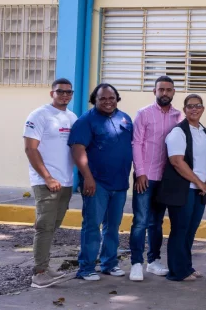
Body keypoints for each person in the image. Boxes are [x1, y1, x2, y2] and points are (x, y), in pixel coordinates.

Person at [68, 83, 133, 281]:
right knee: (92, 225)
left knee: (113, 226)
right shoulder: (85, 121)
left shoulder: (125, 118)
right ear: (94, 100)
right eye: (102, 98)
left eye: (111, 97)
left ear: (117, 98)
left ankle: (109, 264)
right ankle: (86, 268)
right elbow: (77, 150)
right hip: (96, 183)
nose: (107, 101)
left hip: (120, 183)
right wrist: (87, 178)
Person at [24, 78, 78, 288]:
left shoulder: (71, 117)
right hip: (45, 181)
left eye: (68, 92)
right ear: (51, 93)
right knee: (44, 227)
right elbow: (30, 149)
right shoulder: (39, 115)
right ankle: (39, 273)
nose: (65, 95)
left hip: (65, 182)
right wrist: (47, 177)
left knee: (52, 226)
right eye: (60, 92)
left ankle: (45, 266)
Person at [129, 75, 183, 282]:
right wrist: (140, 173)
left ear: (173, 92)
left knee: (156, 222)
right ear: (154, 91)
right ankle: (136, 263)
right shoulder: (143, 114)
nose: (165, 93)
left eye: (169, 90)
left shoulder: (178, 116)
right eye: (161, 90)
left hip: (165, 178)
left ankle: (153, 261)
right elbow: (136, 143)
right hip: (146, 176)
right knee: (140, 221)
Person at [157, 94, 206, 282]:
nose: (194, 109)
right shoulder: (177, 132)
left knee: (190, 231)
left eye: (198, 105)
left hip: (200, 190)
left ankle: (186, 267)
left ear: (203, 109)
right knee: (180, 230)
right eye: (190, 106)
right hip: (183, 190)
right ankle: (177, 272)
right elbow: (176, 162)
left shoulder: (204, 131)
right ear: (184, 110)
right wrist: (200, 182)